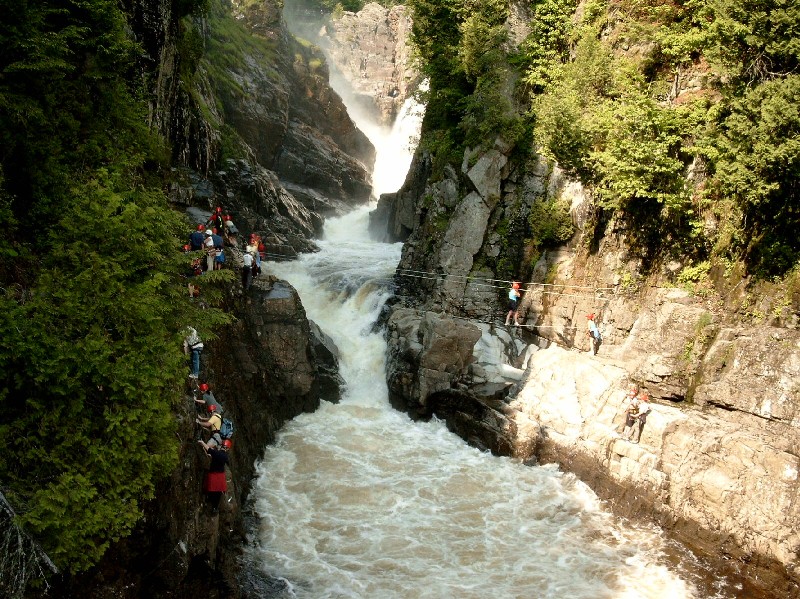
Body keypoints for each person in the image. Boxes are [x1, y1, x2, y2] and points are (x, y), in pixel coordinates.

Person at [201, 438, 231, 513]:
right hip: (220, 475)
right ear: (227, 449)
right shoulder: (225, 457)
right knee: (218, 492)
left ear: (221, 446)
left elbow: (208, 449)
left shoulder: (216, 453)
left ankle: (208, 500)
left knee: (211, 489)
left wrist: (201, 442)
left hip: (213, 474)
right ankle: (215, 507)